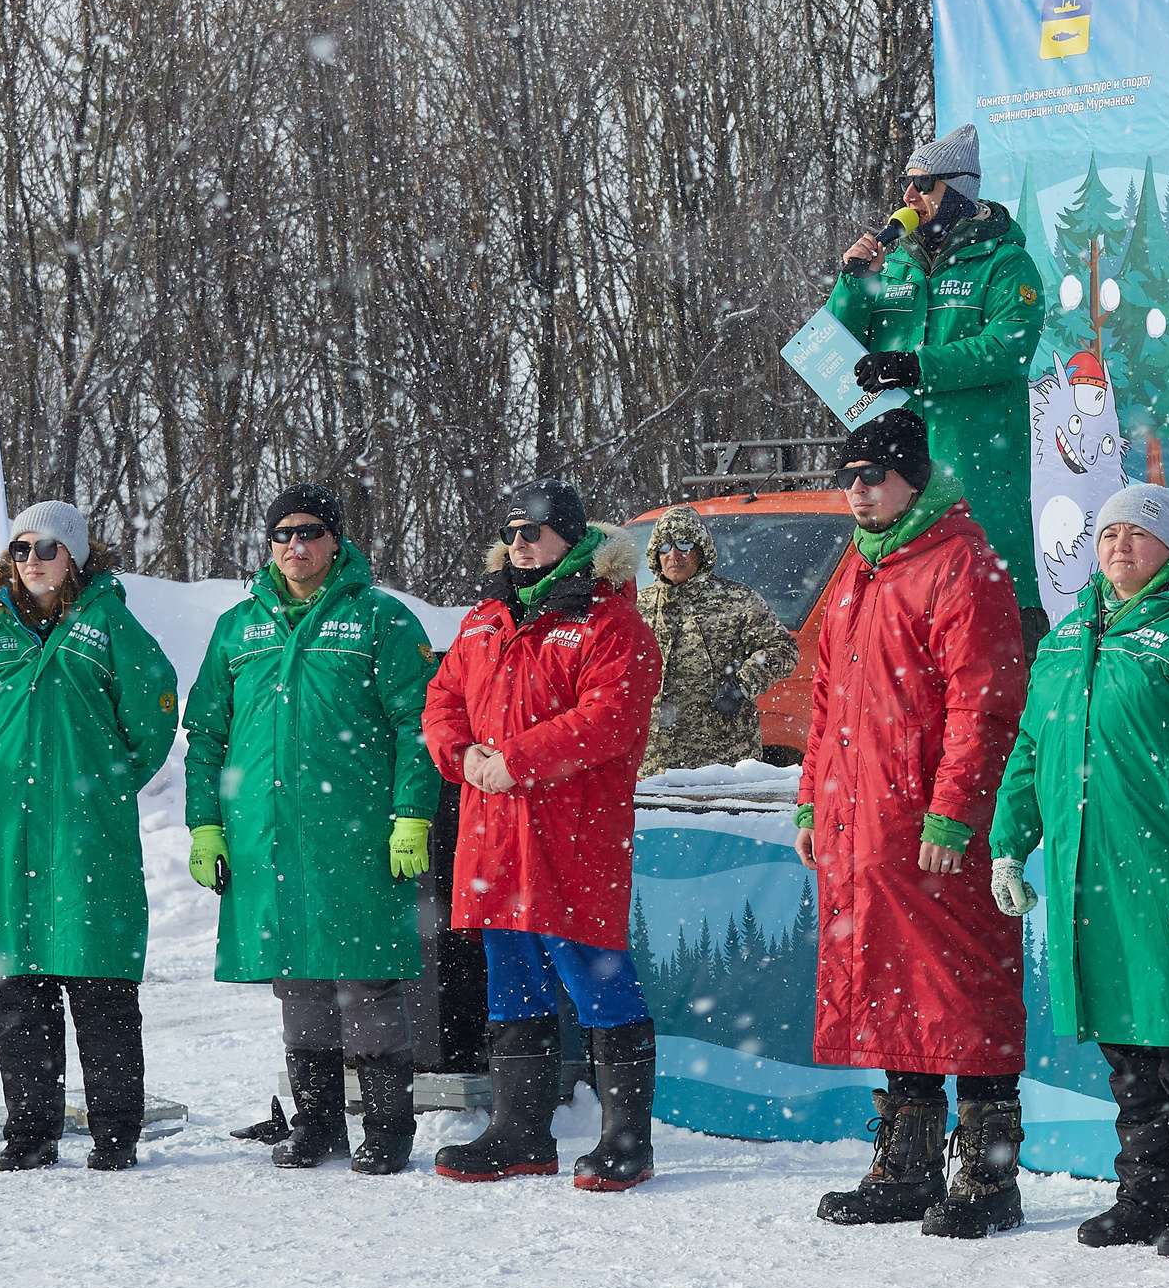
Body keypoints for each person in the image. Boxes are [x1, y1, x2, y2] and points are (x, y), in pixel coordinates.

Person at [990, 483, 1169, 1257]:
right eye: (1107, 534)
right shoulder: (1068, 636)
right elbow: (1031, 751)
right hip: (1094, 884)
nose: (1118, 546)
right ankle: (1144, 1197)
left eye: (1136, 534)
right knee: (1129, 1056)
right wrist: (1009, 842)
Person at [800, 409, 1029, 1238]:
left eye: (872, 475)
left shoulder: (962, 562)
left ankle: (991, 1174)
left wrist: (955, 809)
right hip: (863, 825)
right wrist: (809, 800)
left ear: (913, 477)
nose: (856, 490)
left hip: (933, 828)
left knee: (964, 992)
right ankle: (906, 1166)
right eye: (848, 476)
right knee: (896, 993)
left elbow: (986, 704)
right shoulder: (858, 570)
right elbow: (826, 704)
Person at [182, 483, 440, 1175]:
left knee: (366, 979)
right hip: (265, 836)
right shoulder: (238, 626)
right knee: (296, 980)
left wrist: (413, 811)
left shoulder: (380, 618)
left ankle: (387, 1129)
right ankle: (318, 1124)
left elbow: (421, 723)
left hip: (355, 832)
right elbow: (205, 734)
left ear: (336, 540)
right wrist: (205, 825)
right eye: (282, 534)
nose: (295, 546)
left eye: (310, 532)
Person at [422, 479, 663, 1191]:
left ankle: (628, 1140)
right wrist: (461, 755)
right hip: (494, 838)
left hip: (573, 837)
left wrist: (515, 761)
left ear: (571, 536)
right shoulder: (481, 620)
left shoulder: (611, 623)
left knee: (599, 984)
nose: (520, 541)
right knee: (512, 986)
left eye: (534, 529)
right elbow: (442, 701)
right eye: (512, 530)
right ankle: (520, 1132)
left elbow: (609, 718)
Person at [0, 501, 179, 1173]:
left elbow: (152, 718)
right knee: (17, 992)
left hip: (87, 837)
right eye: (20, 549)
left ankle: (115, 1133)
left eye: (47, 548)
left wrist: (99, 784)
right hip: (6, 837)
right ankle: (30, 1131)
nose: (32, 561)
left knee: (100, 986)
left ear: (75, 555)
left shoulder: (111, 625)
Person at [828, 122, 1049, 653]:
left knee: (987, 638)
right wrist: (854, 280)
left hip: (977, 473)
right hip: (901, 477)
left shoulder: (1004, 262)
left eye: (924, 184)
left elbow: (1008, 347)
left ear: (961, 189)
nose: (909, 196)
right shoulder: (895, 263)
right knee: (903, 650)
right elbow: (836, 344)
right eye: (907, 183)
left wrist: (917, 366)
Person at [636, 504, 800, 778]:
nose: (674, 555)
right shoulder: (637, 606)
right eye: (664, 547)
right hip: (653, 766)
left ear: (701, 549)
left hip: (721, 763)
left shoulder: (737, 600)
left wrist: (742, 685)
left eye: (684, 544)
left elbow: (783, 649)